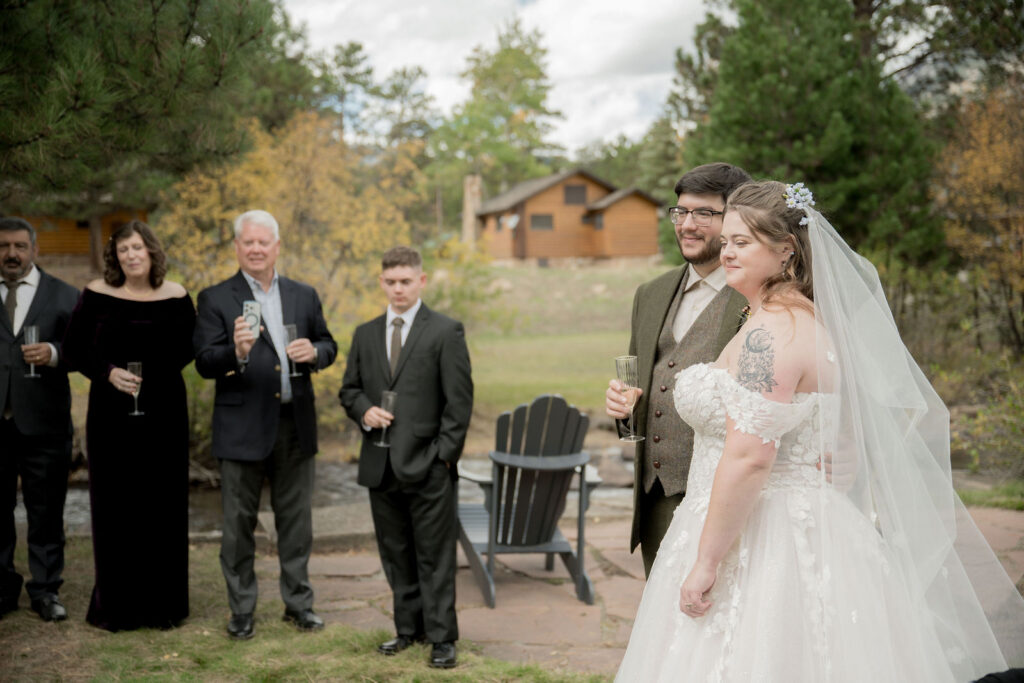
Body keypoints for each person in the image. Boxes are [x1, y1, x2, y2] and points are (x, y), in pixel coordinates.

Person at [616, 181, 1024, 680]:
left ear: (786, 249)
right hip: (788, 517)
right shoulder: (785, 319)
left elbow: (750, 458)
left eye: (742, 242)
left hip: (764, 535)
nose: (727, 252)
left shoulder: (773, 332)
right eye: (726, 242)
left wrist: (707, 561)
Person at [193, 210, 336, 641]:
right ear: (237, 247)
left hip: (295, 425)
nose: (256, 249)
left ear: (277, 247)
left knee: (297, 523)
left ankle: (299, 605)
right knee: (238, 527)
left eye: (263, 242)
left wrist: (316, 351)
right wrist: (236, 352)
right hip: (241, 427)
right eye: (248, 242)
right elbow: (203, 363)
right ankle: (241, 611)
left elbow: (329, 344)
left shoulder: (304, 294)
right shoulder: (215, 298)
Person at [605, 162, 752, 576]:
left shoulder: (757, 295)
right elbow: (641, 381)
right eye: (680, 212)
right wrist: (622, 405)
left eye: (704, 213)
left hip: (725, 499)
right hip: (655, 496)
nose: (687, 224)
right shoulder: (650, 294)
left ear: (736, 218)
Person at [339, 246, 473, 670]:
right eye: (391, 281)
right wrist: (364, 410)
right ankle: (407, 629)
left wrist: (444, 459)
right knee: (395, 552)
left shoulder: (445, 331)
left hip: (429, 465)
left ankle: (441, 638)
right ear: (382, 282)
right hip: (379, 465)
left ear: (421, 281)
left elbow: (459, 402)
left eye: (405, 281)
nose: (398, 288)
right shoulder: (364, 333)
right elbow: (349, 390)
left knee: (435, 555)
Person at [62, 220, 196, 631]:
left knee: (163, 507)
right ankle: (115, 606)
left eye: (137, 247)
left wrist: (155, 375)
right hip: (110, 415)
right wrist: (107, 373)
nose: (131, 255)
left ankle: (164, 607)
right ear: (115, 257)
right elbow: (72, 351)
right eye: (123, 250)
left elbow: (191, 349)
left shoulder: (176, 296)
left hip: (164, 415)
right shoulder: (96, 295)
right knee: (115, 506)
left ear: (152, 250)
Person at [0, 217, 80, 622]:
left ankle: (46, 591)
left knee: (46, 511)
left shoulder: (66, 295)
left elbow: (85, 352)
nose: (11, 254)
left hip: (45, 422)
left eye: (19, 246)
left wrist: (52, 352)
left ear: (34, 250)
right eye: (3, 246)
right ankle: (2, 589)